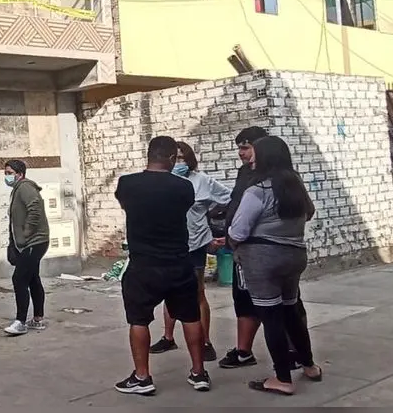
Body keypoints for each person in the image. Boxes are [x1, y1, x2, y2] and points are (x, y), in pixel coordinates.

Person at [114, 136, 210, 395]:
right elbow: (184, 208)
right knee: (190, 317)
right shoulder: (183, 187)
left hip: (143, 265)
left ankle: (142, 377)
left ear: (149, 155)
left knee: (139, 320)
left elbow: (126, 206)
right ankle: (199, 372)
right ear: (170, 158)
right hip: (179, 263)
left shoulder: (127, 183)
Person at [228, 136, 323, 395]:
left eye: (254, 153)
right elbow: (309, 213)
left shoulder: (257, 191)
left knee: (271, 317)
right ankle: (309, 365)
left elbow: (238, 231)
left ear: (266, 158)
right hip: (294, 256)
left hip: (263, 260)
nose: (251, 158)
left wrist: (231, 240)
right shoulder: (295, 186)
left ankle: (282, 379)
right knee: (291, 311)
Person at [217, 126, 308, 370]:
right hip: (285, 254)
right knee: (250, 303)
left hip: (260, 256)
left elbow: (240, 228)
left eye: (247, 148)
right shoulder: (249, 175)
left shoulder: (265, 186)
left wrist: (240, 237)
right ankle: (247, 352)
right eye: (239, 149)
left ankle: (287, 366)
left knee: (275, 311)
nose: (243, 154)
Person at [149, 141, 232, 362]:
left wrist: (212, 216)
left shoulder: (201, 181)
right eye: (175, 158)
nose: (179, 162)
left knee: (197, 292)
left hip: (195, 243)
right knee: (169, 291)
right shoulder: (162, 181)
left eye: (182, 158)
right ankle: (168, 337)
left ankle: (205, 341)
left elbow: (230, 198)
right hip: (169, 244)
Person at [2, 160, 50, 336]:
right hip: (29, 242)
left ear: (20, 174)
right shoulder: (18, 189)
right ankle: (37, 319)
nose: (7, 176)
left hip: (34, 242)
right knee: (33, 278)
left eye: (9, 173)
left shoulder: (25, 187)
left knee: (19, 279)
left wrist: (27, 232)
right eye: (5, 173)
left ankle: (20, 322)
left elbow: (35, 209)